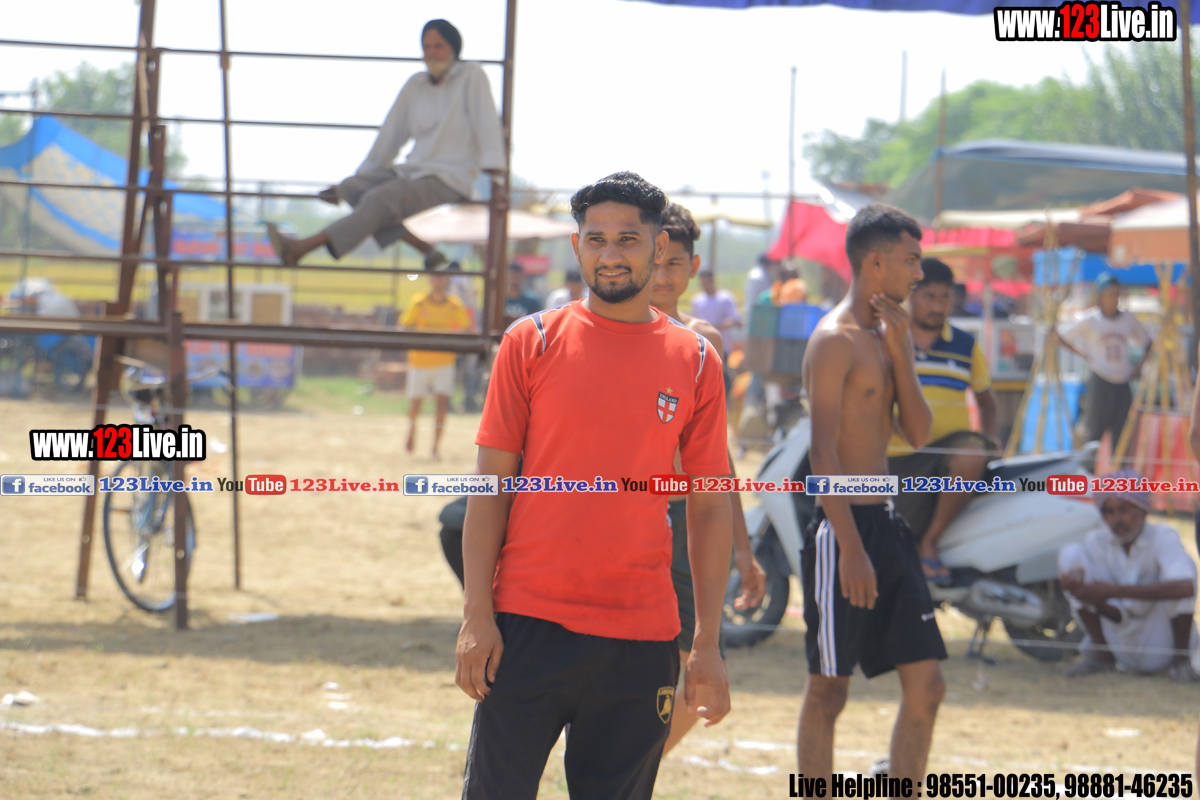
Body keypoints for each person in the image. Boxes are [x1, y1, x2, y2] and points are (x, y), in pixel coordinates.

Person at [456, 172, 733, 799]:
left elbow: (711, 507)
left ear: (660, 246)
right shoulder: (531, 341)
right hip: (528, 623)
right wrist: (477, 615)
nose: (611, 254)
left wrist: (707, 643)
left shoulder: (696, 359)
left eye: (628, 239)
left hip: (642, 636)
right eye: (596, 239)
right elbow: (490, 487)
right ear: (577, 246)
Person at [798, 203, 945, 785]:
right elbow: (822, 453)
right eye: (912, 260)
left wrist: (902, 351)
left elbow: (920, 432)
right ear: (876, 264)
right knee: (829, 691)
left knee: (928, 687)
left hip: (887, 521)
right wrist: (852, 549)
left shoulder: (888, 337)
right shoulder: (833, 340)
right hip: (844, 532)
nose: (919, 273)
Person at [649, 202, 767, 755]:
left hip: (686, 520)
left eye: (675, 263)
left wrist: (743, 549)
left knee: (696, 673)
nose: (663, 275)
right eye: (656, 261)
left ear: (693, 268)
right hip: (624, 518)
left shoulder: (705, 343)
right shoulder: (606, 332)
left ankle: (635, 773)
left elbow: (715, 460)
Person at [266, 20, 504, 270]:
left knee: (379, 200)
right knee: (351, 188)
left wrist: (496, 177)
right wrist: (359, 179)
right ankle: (426, 249)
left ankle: (302, 248)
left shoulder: (472, 76)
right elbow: (391, 134)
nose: (432, 53)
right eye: (426, 47)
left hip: (450, 178)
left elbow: (487, 123)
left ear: (454, 48)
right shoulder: (415, 85)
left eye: (439, 46)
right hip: (414, 169)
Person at [887, 258, 999, 585]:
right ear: (911, 295)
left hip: (947, 452)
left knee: (972, 455)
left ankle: (930, 542)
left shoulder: (965, 345)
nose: (938, 306)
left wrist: (992, 438)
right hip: (895, 456)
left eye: (944, 298)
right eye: (929, 297)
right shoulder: (888, 340)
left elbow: (987, 401)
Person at [1058, 468, 1199, 680]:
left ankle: (1182, 663)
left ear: (1143, 509)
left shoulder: (1163, 536)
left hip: (1161, 641)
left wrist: (1112, 591)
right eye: (1109, 512)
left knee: (1183, 571)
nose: (1117, 519)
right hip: (1119, 641)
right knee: (1070, 555)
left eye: (1125, 509)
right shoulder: (1096, 543)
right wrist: (1083, 594)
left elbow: (1186, 587)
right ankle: (1102, 657)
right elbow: (1117, 615)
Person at [1057, 272, 1153, 447]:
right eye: (1110, 294)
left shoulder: (1128, 319)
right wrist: (1082, 353)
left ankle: (1120, 464)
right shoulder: (1090, 319)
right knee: (1094, 433)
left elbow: (1148, 344)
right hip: (1100, 380)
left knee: (1123, 436)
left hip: (1123, 382)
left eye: (1117, 294)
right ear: (1100, 296)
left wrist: (1138, 368)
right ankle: (1088, 463)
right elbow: (1059, 336)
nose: (1114, 299)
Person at [400, 266, 471, 459]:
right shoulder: (418, 302)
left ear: (447, 281)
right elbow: (405, 325)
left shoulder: (455, 304)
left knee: (441, 405)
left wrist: (453, 343)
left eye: (442, 278)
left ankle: (435, 447)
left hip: (444, 361)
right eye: (436, 277)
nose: (439, 282)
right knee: (415, 405)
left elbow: (465, 328)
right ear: (430, 280)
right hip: (419, 361)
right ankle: (412, 428)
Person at [690, 270, 742, 351]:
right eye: (702, 282)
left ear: (712, 281)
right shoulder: (697, 301)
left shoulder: (725, 298)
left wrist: (714, 329)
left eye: (706, 282)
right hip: (703, 347)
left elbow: (735, 320)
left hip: (722, 345)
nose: (704, 285)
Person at [743, 254, 781, 322]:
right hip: (758, 315)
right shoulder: (760, 276)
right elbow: (768, 296)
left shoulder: (757, 273)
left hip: (753, 313)